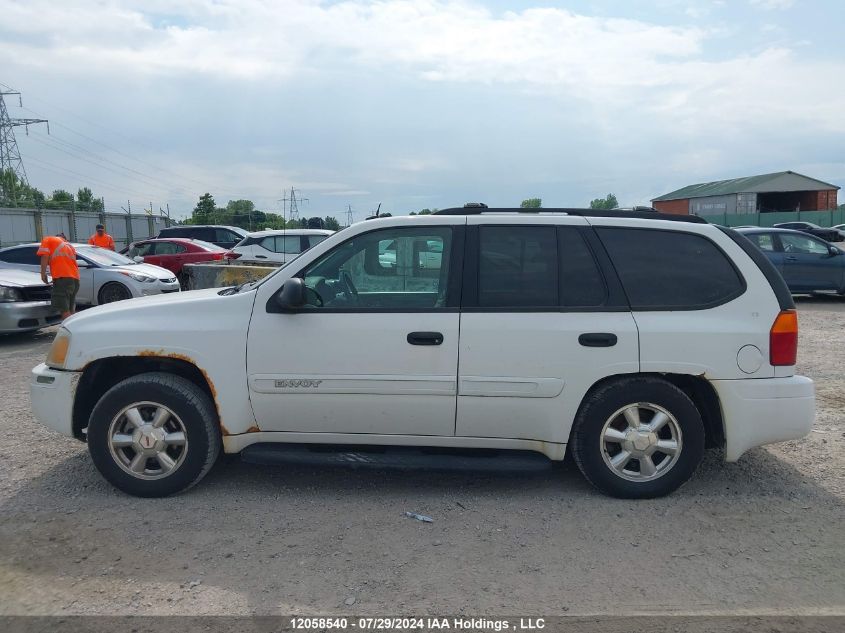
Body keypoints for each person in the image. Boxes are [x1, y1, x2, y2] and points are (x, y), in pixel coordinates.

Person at [38, 234, 80, 321]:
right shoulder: (70, 246)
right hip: (75, 279)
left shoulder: (48, 239)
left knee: (64, 309)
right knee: (71, 309)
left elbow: (45, 256)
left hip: (63, 279)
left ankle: (70, 332)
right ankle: (75, 329)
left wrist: (43, 274)